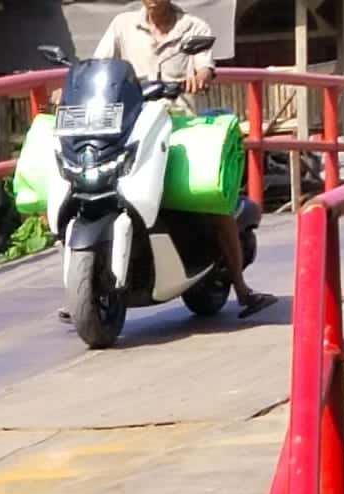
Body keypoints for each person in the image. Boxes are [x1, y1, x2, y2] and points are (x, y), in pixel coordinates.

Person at [62, 0, 276, 320]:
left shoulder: (193, 28)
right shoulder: (123, 25)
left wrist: (199, 76)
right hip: (132, 126)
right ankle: (82, 292)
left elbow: (205, 65)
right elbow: (99, 65)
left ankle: (243, 289)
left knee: (209, 200)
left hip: (178, 125)